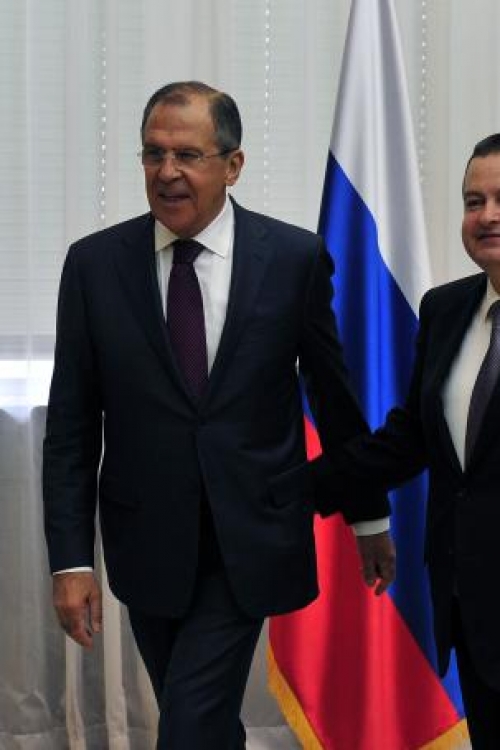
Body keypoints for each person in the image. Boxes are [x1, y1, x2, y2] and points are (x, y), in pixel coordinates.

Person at [42, 81, 394, 750]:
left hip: (252, 534)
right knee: (199, 719)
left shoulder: (292, 259)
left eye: (187, 155)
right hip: (148, 540)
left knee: (187, 726)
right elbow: (71, 427)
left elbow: (333, 398)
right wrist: (69, 561)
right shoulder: (94, 266)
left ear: (233, 165)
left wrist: (368, 515)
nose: (166, 172)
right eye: (153, 154)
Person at [323, 133, 500, 749]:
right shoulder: (447, 309)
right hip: (469, 604)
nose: (487, 216)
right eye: (473, 201)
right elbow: (411, 440)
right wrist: (299, 486)